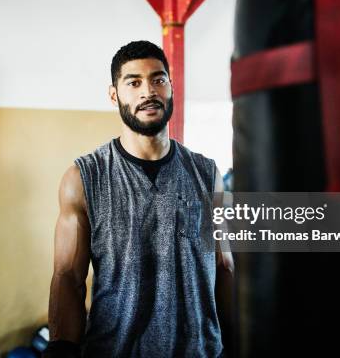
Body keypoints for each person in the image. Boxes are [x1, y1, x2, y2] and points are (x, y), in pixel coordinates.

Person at [45, 41, 234, 358]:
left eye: (158, 79)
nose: (148, 91)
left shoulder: (206, 172)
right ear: (114, 95)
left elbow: (224, 266)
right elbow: (68, 277)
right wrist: (62, 348)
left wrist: (240, 341)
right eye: (134, 82)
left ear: (171, 87)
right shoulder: (83, 178)